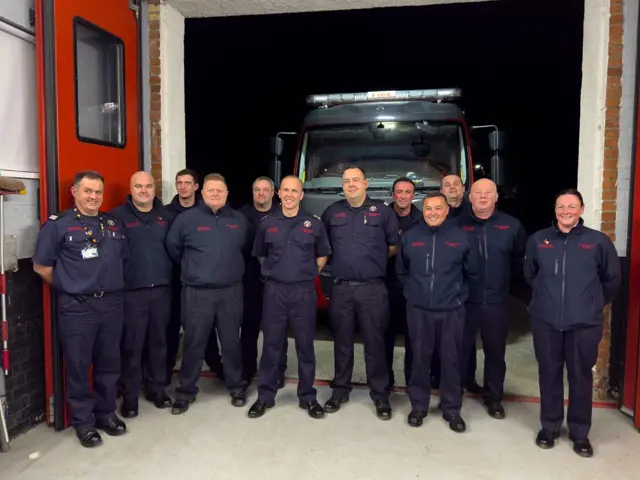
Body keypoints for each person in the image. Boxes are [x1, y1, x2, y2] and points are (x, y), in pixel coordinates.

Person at [32, 170, 128, 448]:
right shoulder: (58, 225)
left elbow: (122, 260)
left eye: (98, 192)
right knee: (78, 365)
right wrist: (69, 285)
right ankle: (83, 423)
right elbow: (41, 266)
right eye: (88, 191)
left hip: (111, 305)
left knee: (109, 364)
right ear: (74, 192)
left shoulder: (112, 223)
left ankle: (106, 414)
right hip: (78, 307)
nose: (93, 197)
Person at [524, 188, 621, 457]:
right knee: (549, 374)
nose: (565, 211)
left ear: (581, 209)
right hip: (546, 321)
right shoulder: (538, 240)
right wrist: (545, 300)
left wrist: (592, 303)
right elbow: (529, 275)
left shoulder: (598, 242)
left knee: (580, 377)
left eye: (571, 206)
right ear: (555, 210)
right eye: (561, 207)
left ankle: (580, 433)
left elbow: (612, 279)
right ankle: (550, 426)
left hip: (583, 323)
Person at [247, 176, 331, 419]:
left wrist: (304, 273)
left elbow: (323, 255)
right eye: (286, 190)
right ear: (279, 193)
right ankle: (265, 396)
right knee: (271, 345)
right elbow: (261, 254)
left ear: (301, 195)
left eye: (295, 191)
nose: (290, 195)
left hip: (303, 292)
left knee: (305, 345)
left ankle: (307, 396)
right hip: (275, 291)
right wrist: (279, 272)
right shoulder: (267, 223)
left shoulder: (314, 224)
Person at [165, 173, 249, 414]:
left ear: (226, 194)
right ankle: (186, 391)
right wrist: (197, 270)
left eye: (219, 190)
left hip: (230, 292)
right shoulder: (186, 220)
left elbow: (244, 249)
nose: (215, 194)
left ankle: (236, 386)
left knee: (231, 341)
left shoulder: (239, 220)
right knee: (193, 342)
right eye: (210, 190)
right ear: (202, 193)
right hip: (197, 293)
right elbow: (174, 248)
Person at [395, 192, 478, 432]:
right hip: (419, 310)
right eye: (428, 208)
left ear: (446, 210)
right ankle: (418, 406)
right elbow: (401, 271)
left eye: (438, 208)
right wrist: (414, 293)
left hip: (451, 310)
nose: (433, 213)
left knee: (451, 360)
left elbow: (472, 273)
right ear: (423, 211)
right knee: (419, 358)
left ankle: (452, 409)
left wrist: (456, 295)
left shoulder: (461, 237)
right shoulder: (411, 236)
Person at [321, 166, 399, 420]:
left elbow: (393, 245)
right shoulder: (332, 212)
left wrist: (372, 260)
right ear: (342, 186)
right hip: (342, 288)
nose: (351, 184)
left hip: (372, 289)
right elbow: (322, 245)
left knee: (375, 344)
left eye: (356, 180)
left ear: (366, 183)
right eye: (346, 181)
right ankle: (340, 390)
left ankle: (380, 395)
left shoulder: (383, 212)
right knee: (341, 342)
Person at [457, 178, 527, 418]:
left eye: (488, 193)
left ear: (496, 197)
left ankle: (493, 397)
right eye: (478, 193)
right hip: (464, 301)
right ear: (470, 197)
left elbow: (520, 264)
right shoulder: (456, 226)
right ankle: (458, 390)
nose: (483, 197)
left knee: (495, 352)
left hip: (497, 302)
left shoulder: (512, 226)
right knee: (460, 349)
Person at [111, 171, 175, 418]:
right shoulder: (117, 217)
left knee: (159, 343)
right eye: (138, 186)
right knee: (132, 346)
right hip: (132, 292)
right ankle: (130, 397)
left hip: (162, 290)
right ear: (131, 188)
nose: (144, 190)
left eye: (148, 186)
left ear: (154, 188)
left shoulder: (167, 217)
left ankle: (157, 390)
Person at [164, 169, 224, 384]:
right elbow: (172, 246)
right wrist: (187, 263)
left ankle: (215, 364)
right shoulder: (166, 213)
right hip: (176, 279)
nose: (183, 187)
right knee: (172, 326)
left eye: (187, 183)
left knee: (205, 328)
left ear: (196, 187)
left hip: (200, 282)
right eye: (179, 183)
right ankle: (166, 370)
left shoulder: (206, 210)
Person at [238, 176, 286, 386]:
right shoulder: (241, 216)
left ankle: (277, 370)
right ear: (252, 192)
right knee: (249, 328)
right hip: (249, 280)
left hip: (276, 280)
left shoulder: (283, 213)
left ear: (273, 193)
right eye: (257, 190)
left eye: (265, 190)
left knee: (277, 329)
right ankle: (247, 370)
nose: (261, 193)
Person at [385, 177, 421, 388]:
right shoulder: (382, 217)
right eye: (399, 192)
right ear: (393, 195)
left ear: (413, 195)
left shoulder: (422, 219)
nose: (403, 196)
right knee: (384, 337)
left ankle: (412, 381)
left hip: (412, 288)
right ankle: (385, 380)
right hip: (385, 286)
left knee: (414, 339)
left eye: (408, 192)